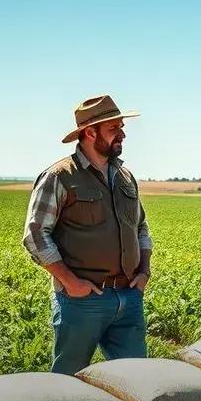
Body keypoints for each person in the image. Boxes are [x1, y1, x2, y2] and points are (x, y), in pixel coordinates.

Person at [23, 94, 152, 375]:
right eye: (114, 128)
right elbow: (35, 235)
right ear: (90, 132)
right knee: (68, 380)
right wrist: (71, 283)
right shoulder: (59, 177)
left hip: (129, 296)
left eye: (121, 126)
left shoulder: (125, 177)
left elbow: (141, 227)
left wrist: (144, 272)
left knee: (136, 380)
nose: (122, 134)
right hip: (82, 301)